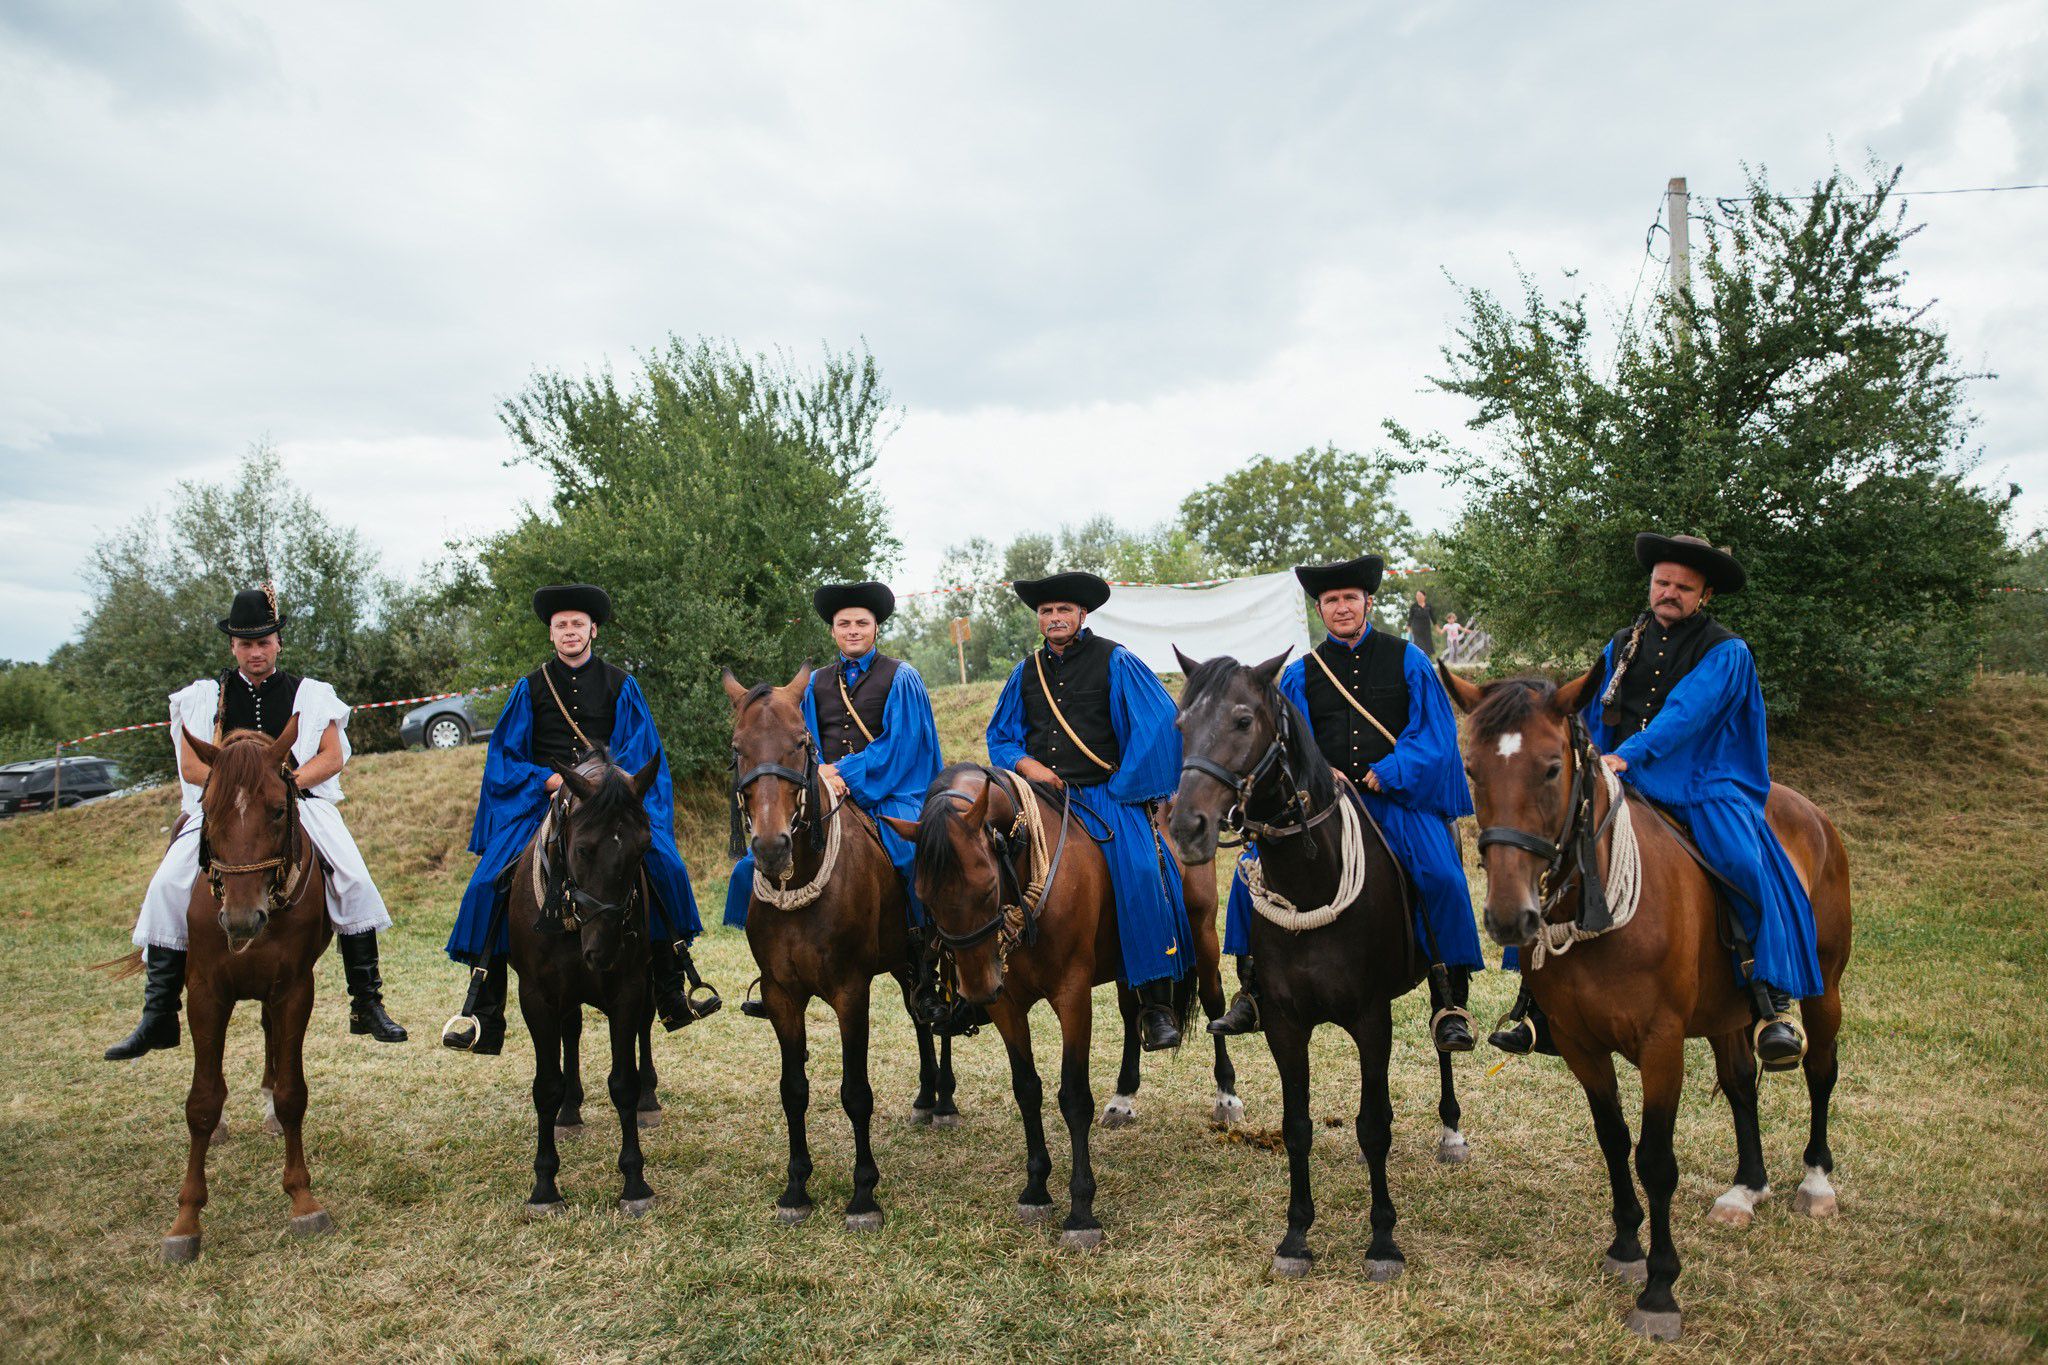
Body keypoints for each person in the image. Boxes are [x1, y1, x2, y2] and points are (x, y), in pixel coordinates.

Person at [1488, 534, 1818, 1070]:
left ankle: (1767, 999)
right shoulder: (1621, 644)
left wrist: (1629, 756)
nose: (1669, 593)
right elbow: (1589, 709)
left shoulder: (1725, 651)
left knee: (1741, 863)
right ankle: (1535, 1003)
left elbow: (1687, 715)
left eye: (1683, 587)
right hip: (1619, 771)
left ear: (1704, 594)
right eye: (1662, 582)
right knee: (1550, 854)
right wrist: (1585, 754)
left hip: (1702, 780)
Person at [106, 586, 406, 1059]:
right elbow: (190, 767)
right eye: (246, 643)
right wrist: (235, 791)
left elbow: (330, 757)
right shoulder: (204, 697)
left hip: (298, 801)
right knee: (166, 884)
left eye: (264, 641)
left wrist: (283, 786)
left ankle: (366, 1001)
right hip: (222, 807)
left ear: (278, 643)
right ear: (232, 647)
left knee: (353, 876)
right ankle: (158, 1012)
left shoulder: (311, 694)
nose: (255, 651)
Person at [1210, 555, 1482, 1051]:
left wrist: (1392, 770)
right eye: (1331, 600)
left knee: (1441, 874)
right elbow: (1290, 739)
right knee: (1248, 872)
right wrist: (1318, 770)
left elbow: (1435, 736)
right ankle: (1250, 992)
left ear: (1368, 603)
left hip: (1393, 799)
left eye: (1349, 599)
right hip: (1323, 805)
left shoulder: (1410, 660)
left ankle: (1449, 999)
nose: (1341, 608)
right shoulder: (1299, 674)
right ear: (1320, 608)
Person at [441, 583, 714, 1054]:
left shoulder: (621, 684)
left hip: (608, 802)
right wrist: (547, 781)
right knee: (488, 881)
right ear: (551, 634)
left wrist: (609, 784)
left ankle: (673, 984)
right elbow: (505, 759)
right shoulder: (529, 688)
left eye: (577, 624)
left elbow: (640, 750)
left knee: (664, 866)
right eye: (561, 625)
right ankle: (482, 1007)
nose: (570, 632)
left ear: (593, 630)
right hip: (544, 800)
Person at [985, 572, 1191, 1051]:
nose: (1054, 618)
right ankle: (976, 975)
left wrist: (1125, 784)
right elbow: (1001, 736)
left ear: (1083, 615)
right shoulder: (1025, 671)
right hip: (1040, 799)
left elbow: (1158, 724)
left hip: (1106, 796)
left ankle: (1155, 1001)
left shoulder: (1116, 660)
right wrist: (1028, 765)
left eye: (1063, 610)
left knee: (1143, 868)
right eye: (1046, 612)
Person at [724, 580, 943, 1016]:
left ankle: (925, 958)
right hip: (825, 792)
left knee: (908, 854)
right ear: (833, 632)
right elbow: (799, 742)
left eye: (862, 622)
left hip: (891, 792)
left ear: (876, 628)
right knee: (752, 866)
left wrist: (843, 773)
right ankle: (774, 971)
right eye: (844, 624)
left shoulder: (902, 677)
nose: (853, 630)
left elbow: (902, 744)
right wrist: (820, 770)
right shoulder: (816, 682)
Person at [1408, 589, 1436, 656]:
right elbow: (1410, 618)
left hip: (1426, 628)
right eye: (1417, 595)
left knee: (1427, 644)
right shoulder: (1414, 606)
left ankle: (1426, 659)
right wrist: (1409, 629)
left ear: (1424, 596)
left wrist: (1438, 629)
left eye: (1420, 595)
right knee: (1418, 644)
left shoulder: (1428, 606)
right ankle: (1418, 659)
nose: (1418, 597)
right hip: (1417, 628)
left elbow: (1433, 618)